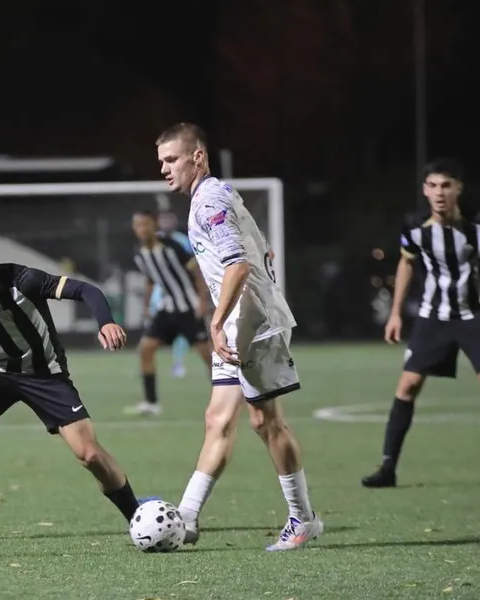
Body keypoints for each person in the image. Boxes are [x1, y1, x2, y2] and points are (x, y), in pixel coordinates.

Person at [0, 224, 143, 539]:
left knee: (89, 454)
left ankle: (138, 517)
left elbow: (87, 290)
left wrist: (106, 322)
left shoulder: (21, 281)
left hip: (46, 374)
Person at [155, 122, 323, 551]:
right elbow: (261, 253)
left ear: (198, 157)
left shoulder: (209, 199)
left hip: (251, 325)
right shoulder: (215, 197)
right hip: (237, 324)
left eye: (171, 159)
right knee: (218, 418)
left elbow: (238, 265)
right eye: (161, 162)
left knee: (266, 422)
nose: (164, 169)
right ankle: (187, 518)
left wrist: (216, 322)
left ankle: (303, 519)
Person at [361, 158, 480, 488]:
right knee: (407, 386)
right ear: (425, 190)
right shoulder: (413, 225)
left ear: (458, 189)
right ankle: (387, 469)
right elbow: (407, 263)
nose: (440, 193)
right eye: (433, 186)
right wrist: (395, 313)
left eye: (447, 186)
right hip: (432, 318)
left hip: (475, 316)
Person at [126, 207, 213, 417]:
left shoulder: (172, 247)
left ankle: (227, 398)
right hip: (166, 308)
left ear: (154, 225)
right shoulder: (140, 254)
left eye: (145, 224)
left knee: (209, 357)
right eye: (137, 225)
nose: (141, 229)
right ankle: (151, 403)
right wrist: (147, 306)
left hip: (188, 308)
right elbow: (150, 279)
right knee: (146, 349)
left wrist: (202, 301)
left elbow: (197, 272)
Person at [156, 210, 198, 378]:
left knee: (181, 329)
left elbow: (193, 263)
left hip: (180, 292)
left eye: (169, 219)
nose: (166, 223)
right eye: (163, 220)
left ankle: (178, 363)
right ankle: (146, 365)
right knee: (151, 328)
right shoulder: (153, 239)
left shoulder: (183, 241)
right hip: (159, 292)